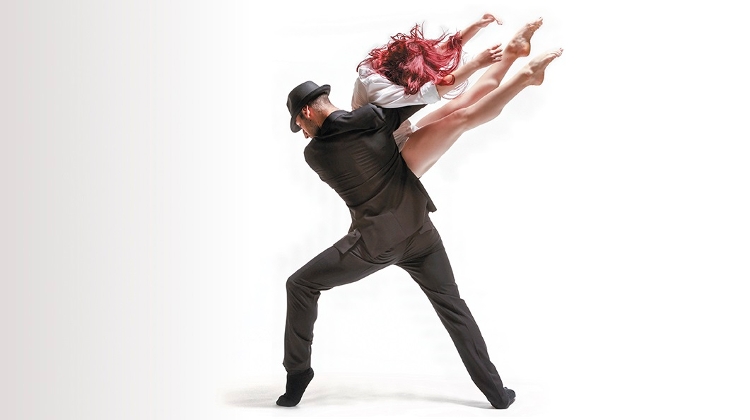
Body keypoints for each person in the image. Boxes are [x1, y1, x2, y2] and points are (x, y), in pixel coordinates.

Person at [277, 48, 561, 408]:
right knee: (454, 309)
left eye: (300, 126)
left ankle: (298, 373)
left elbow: (353, 135)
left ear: (306, 111)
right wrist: (469, 62)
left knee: (300, 285)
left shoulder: (315, 155)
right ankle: (497, 393)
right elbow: (429, 95)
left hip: (373, 244)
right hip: (420, 231)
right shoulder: (374, 117)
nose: (303, 135)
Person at [353, 15, 551, 178]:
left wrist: (475, 27)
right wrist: (476, 64)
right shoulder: (380, 91)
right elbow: (435, 90)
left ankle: (513, 51)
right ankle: (526, 77)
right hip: (391, 166)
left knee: (459, 104)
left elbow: (436, 55)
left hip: (401, 137)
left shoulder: (381, 68)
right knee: (461, 118)